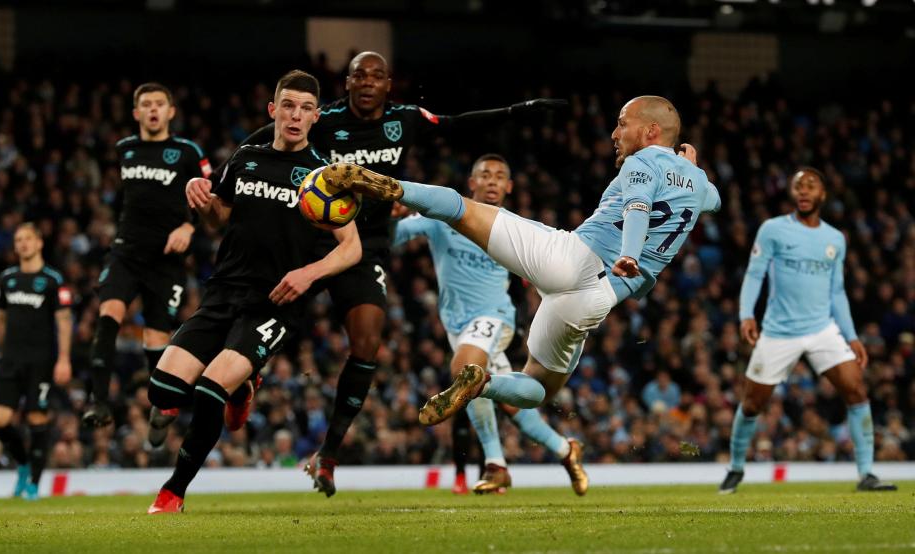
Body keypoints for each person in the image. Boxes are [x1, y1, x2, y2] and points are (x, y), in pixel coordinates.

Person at [238, 51, 565, 497]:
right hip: (310, 237)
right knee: (271, 313)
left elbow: (456, 123)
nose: (368, 82)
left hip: (365, 244)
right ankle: (247, 372)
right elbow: (272, 136)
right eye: (359, 75)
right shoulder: (326, 117)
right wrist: (225, 169)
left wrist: (515, 111)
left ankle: (328, 456)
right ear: (348, 82)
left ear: (389, 84)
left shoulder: (404, 119)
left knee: (368, 342)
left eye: (376, 75)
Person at [321, 95, 718, 425]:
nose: (615, 133)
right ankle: (484, 385)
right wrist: (691, 168)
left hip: (575, 259)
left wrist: (629, 253)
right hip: (594, 302)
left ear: (651, 132)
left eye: (622, 124)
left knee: (463, 209)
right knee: (539, 389)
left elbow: (637, 206)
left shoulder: (641, 161)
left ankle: (383, 185)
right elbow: (712, 201)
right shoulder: (699, 184)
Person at [146, 70, 361, 514]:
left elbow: (352, 249)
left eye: (305, 108)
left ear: (316, 116)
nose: (295, 115)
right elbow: (218, 217)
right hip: (222, 293)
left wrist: (308, 274)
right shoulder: (245, 158)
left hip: (274, 303)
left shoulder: (323, 176)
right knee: (162, 389)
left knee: (209, 390)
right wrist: (202, 200)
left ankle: (173, 492)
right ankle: (244, 387)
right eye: (288, 105)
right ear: (273, 111)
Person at [393, 154, 588, 496]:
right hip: (457, 324)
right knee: (510, 404)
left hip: (494, 317)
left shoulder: (513, 228)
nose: (493, 181)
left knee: (465, 369)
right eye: (485, 175)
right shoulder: (444, 217)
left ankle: (495, 465)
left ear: (509, 187)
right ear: (472, 183)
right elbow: (395, 237)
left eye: (500, 176)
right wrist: (389, 219)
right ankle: (565, 450)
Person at [719, 169, 897, 494]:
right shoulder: (772, 230)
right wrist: (746, 314)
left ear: (822, 195)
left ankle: (867, 473)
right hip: (778, 332)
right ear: (792, 193)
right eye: (798, 186)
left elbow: (837, 292)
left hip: (821, 329)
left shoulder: (835, 239)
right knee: (753, 404)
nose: (803, 191)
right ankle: (735, 467)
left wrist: (852, 335)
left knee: (856, 389)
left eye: (810, 186)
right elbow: (755, 274)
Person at [82, 83, 212, 448]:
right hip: (125, 251)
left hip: (166, 260)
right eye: (146, 105)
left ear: (171, 111)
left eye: (159, 104)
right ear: (136, 113)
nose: (153, 110)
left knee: (155, 339)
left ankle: (163, 406)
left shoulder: (187, 151)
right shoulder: (125, 149)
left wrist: (189, 226)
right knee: (108, 315)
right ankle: (99, 402)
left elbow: (212, 198)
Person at [0, 223, 73, 499]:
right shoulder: (7, 279)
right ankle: (23, 462)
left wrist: (63, 359)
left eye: (27, 239)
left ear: (39, 243)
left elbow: (64, 321)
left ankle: (34, 483)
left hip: (41, 360)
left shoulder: (52, 280)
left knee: (37, 418)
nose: (22, 244)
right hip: (9, 359)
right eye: (18, 240)